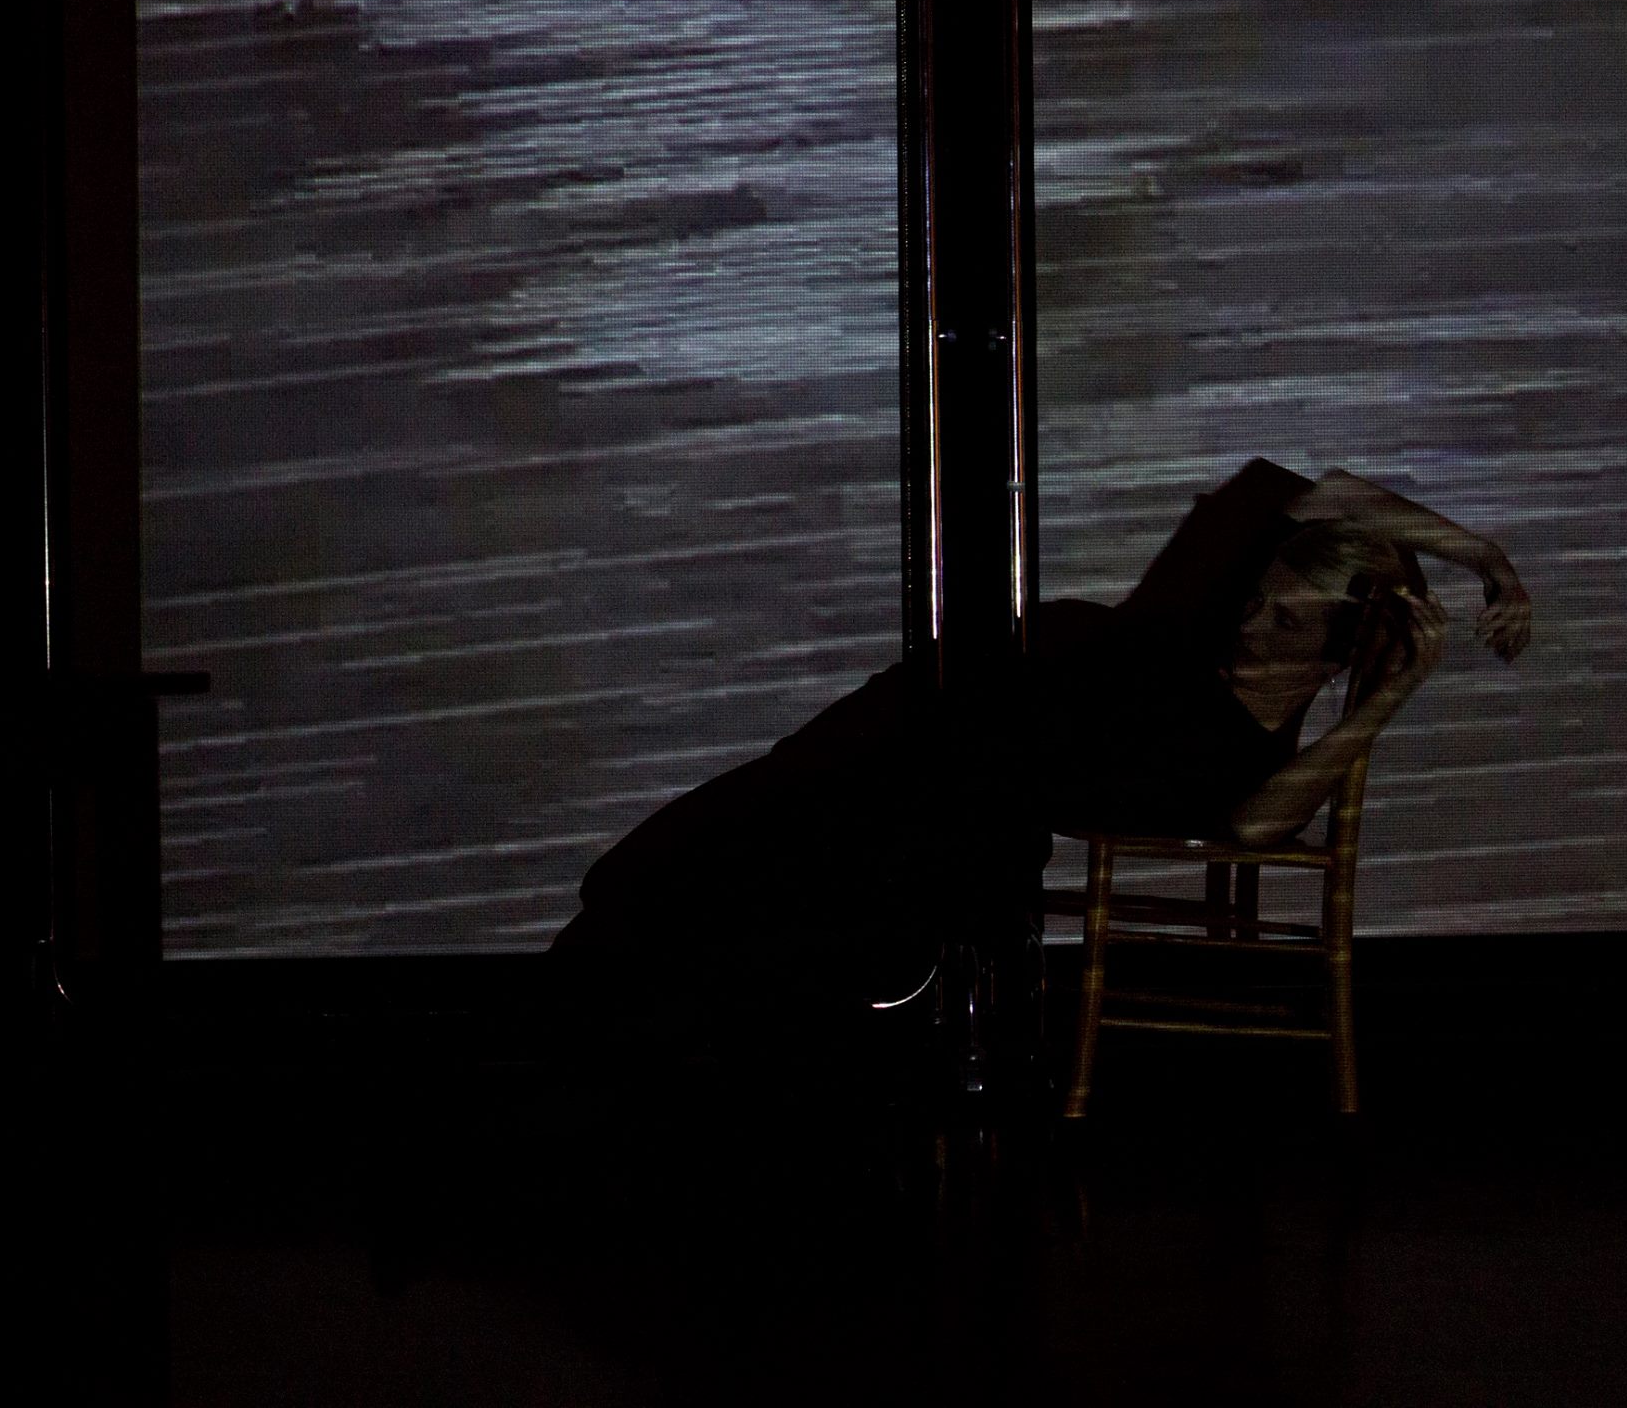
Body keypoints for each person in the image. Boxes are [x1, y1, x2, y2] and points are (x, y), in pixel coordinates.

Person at [545, 456, 1531, 1094]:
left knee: (806, 865)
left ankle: (645, 1039)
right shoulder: (1219, 636)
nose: (1249, 619)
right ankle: (615, 1002)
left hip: (978, 784)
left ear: (1334, 649)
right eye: (1259, 595)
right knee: (765, 813)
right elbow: (1343, 492)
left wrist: (1386, 698)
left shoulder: (1265, 746)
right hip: (978, 704)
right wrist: (1487, 558)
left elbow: (1256, 829)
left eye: (1283, 619)